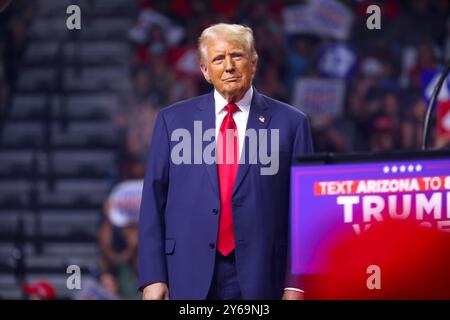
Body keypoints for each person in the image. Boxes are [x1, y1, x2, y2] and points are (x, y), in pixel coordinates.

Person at [138, 23, 314, 300]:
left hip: (263, 274)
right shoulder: (172, 122)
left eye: (237, 56)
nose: (229, 66)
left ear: (253, 63)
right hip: (186, 271)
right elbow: (152, 202)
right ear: (205, 71)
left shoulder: (292, 123)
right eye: (218, 59)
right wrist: (153, 276)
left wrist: (296, 284)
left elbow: (305, 213)